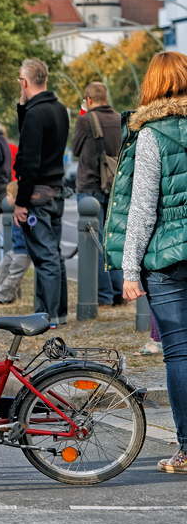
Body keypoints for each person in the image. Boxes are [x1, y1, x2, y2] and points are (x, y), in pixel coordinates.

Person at [105, 50, 187, 474]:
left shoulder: (152, 135)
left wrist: (130, 270)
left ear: (151, 85)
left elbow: (142, 210)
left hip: (168, 257)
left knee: (179, 352)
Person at [13, 58, 69, 328]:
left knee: (45, 258)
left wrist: (21, 203)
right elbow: (32, 137)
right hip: (56, 190)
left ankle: (48, 317)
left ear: (24, 82)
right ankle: (58, 313)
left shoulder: (36, 114)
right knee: (53, 255)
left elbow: (29, 161)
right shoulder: (58, 109)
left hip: (37, 195)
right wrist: (22, 107)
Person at [72, 81, 123, 307]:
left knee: (94, 242)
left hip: (90, 186)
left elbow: (75, 149)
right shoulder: (121, 118)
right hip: (114, 186)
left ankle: (103, 295)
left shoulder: (85, 120)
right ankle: (118, 289)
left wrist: (83, 113)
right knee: (112, 240)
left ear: (89, 99)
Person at [0, 181, 32, 304]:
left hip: (23, 251)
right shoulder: (15, 212)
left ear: (16, 198)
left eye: (9, 195)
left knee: (14, 274)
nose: (6, 198)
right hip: (15, 249)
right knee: (3, 267)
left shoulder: (23, 214)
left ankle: (0, 297)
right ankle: (8, 295)